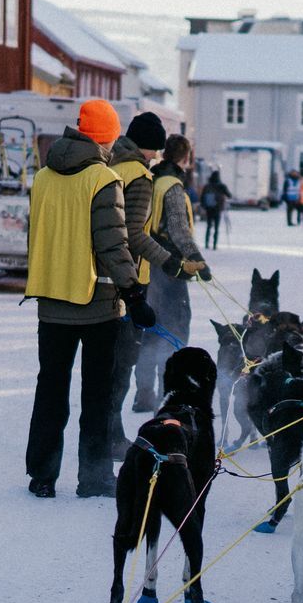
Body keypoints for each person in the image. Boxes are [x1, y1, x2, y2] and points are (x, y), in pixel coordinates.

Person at [25, 100, 147, 498]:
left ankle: (42, 476)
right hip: (96, 303)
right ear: (106, 136)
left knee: (50, 390)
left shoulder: (43, 176)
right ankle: (93, 477)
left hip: (51, 300)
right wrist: (133, 290)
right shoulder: (103, 178)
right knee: (97, 394)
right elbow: (113, 243)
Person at [107, 111, 195, 435]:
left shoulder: (113, 166)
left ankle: (141, 397)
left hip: (119, 274)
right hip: (143, 273)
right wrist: (183, 263)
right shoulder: (151, 179)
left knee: (133, 348)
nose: (156, 156)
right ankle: (155, 398)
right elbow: (155, 231)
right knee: (169, 332)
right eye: (153, 149)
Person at [132, 134, 209, 410]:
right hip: (170, 268)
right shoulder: (173, 186)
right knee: (175, 327)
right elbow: (178, 229)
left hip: (147, 265)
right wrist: (196, 258)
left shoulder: (152, 180)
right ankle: (168, 393)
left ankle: (143, 393)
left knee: (150, 329)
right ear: (186, 158)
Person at [199, 169, 229, 249]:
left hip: (209, 209)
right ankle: (215, 245)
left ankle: (206, 244)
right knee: (216, 228)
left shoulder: (207, 186)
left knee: (208, 226)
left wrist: (204, 207)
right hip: (218, 209)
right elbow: (229, 195)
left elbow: (202, 197)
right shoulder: (221, 186)